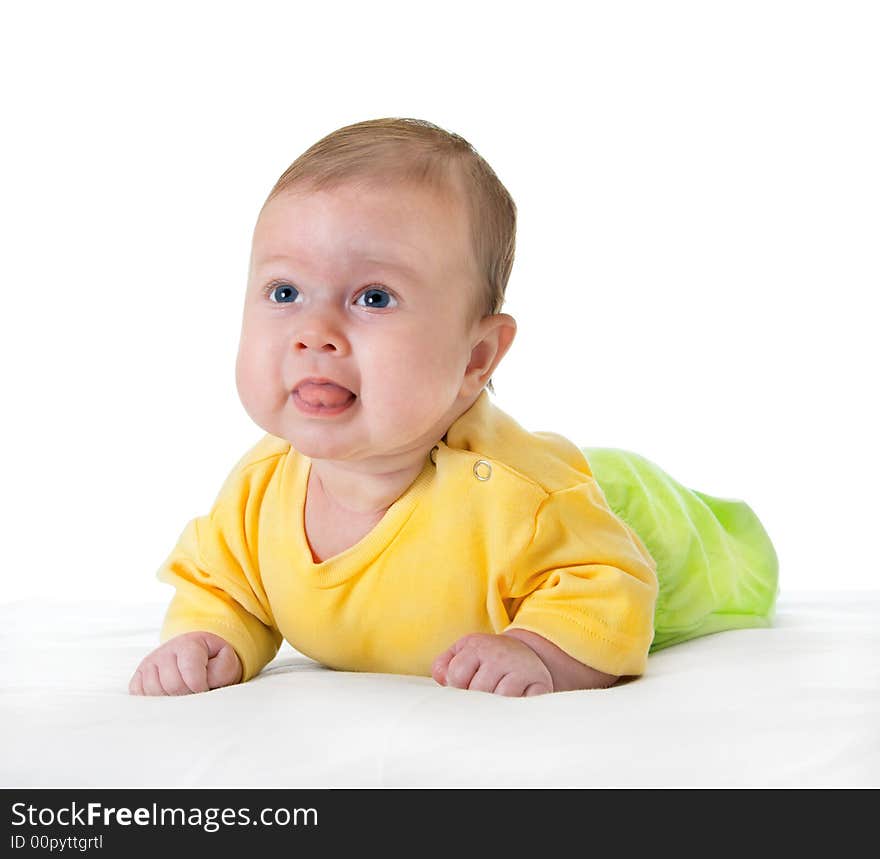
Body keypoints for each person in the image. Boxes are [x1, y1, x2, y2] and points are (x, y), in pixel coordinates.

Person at [129, 117, 778, 698]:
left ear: (475, 359)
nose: (314, 331)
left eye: (374, 297)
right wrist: (210, 638)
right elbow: (225, 586)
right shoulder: (259, 491)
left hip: (624, 514)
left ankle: (732, 539)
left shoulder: (525, 502)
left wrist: (539, 650)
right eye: (285, 290)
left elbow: (609, 583)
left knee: (731, 571)